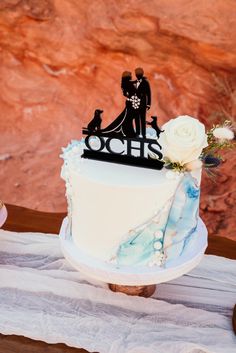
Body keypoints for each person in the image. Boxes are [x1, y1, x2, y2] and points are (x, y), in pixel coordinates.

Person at [100, 71, 136, 137]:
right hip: (130, 103)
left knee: (127, 118)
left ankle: (129, 132)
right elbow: (126, 93)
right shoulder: (127, 83)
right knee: (127, 118)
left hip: (131, 103)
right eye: (130, 75)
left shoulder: (127, 83)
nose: (131, 77)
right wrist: (131, 97)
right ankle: (128, 132)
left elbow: (127, 92)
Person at [134, 67, 151, 138]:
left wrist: (148, 104)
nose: (138, 75)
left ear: (142, 74)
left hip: (143, 104)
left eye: (139, 74)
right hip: (135, 104)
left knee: (142, 119)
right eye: (137, 74)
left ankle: (144, 134)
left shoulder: (145, 82)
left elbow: (149, 93)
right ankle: (137, 133)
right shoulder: (134, 82)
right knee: (136, 119)